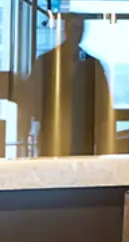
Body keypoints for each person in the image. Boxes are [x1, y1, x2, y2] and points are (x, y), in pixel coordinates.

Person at [22, 14, 116, 157]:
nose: (77, 33)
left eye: (80, 29)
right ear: (66, 29)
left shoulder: (93, 65)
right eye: (74, 28)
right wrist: (26, 129)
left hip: (82, 138)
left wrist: (104, 139)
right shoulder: (46, 62)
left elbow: (103, 105)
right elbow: (31, 99)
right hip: (52, 135)